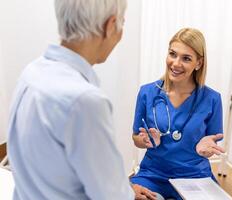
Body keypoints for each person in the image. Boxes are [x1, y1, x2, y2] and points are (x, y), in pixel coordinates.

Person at [7, 0, 156, 199]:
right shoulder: (85, 102)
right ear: (110, 26)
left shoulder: (31, 73)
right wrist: (122, 192)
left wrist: (123, 188)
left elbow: (57, 169)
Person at [131, 28, 225, 200]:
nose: (175, 63)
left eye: (186, 58)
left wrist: (205, 150)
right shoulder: (147, 93)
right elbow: (136, 137)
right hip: (153, 174)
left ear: (199, 63)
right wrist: (144, 141)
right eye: (172, 54)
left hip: (195, 177)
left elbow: (212, 143)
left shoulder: (212, 99)